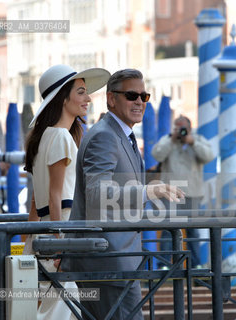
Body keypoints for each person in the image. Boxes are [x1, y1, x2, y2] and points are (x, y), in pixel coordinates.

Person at [63, 69, 185, 320]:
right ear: (111, 99)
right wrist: (148, 190)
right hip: (108, 260)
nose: (139, 101)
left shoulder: (118, 134)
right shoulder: (105, 136)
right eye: (131, 95)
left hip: (114, 260)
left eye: (144, 95)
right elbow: (97, 192)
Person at [23, 64, 110, 320]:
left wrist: (30, 241)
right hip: (60, 236)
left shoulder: (42, 137)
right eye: (81, 92)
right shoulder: (60, 137)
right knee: (60, 310)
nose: (88, 98)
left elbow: (35, 201)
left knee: (44, 309)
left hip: (44, 235)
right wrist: (61, 246)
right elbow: (54, 196)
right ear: (63, 98)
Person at [152, 115, 213, 269]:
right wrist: (172, 139)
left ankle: (195, 265)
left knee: (193, 231)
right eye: (177, 127)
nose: (181, 131)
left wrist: (192, 143)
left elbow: (209, 156)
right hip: (170, 194)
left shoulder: (198, 140)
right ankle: (164, 265)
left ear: (190, 128)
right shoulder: (168, 140)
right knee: (167, 229)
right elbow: (157, 155)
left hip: (193, 193)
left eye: (183, 128)